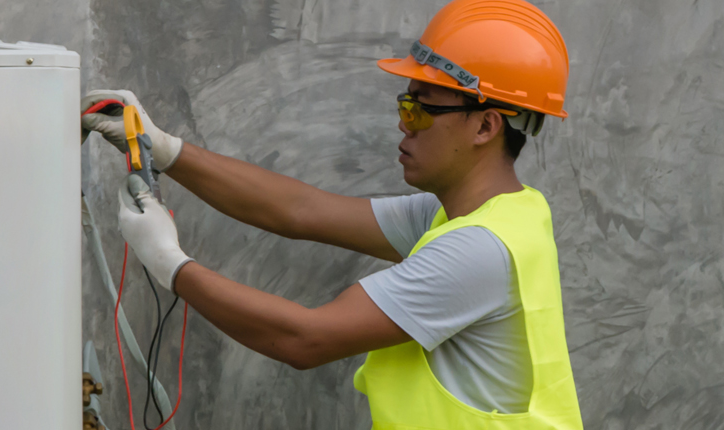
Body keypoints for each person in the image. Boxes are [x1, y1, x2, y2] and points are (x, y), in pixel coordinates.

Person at [81, 0, 583, 427]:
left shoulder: (477, 250)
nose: (403, 126)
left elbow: (306, 338)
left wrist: (169, 263)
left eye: (420, 110)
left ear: (485, 126)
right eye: (404, 105)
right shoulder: (481, 216)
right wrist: (167, 150)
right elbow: (302, 211)